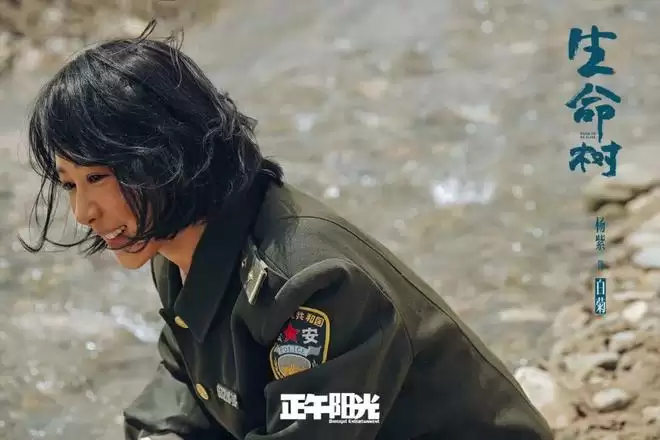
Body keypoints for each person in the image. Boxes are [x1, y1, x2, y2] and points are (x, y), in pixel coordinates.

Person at [22, 22, 553, 440]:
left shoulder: (311, 283)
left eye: (98, 178)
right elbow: (190, 379)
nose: (83, 212)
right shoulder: (176, 245)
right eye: (69, 184)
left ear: (166, 158)